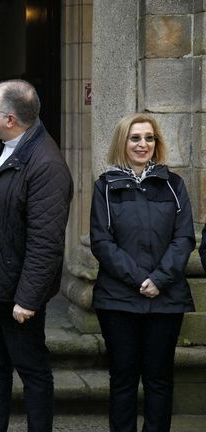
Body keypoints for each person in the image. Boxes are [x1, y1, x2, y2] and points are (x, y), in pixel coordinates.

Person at [0, 79, 73, 432]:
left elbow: (46, 242)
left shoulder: (46, 165)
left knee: (33, 372)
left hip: (18, 296)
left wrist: (28, 299)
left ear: (10, 119)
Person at [90, 113, 194, 432]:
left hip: (166, 301)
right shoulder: (106, 186)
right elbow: (102, 241)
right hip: (119, 300)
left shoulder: (173, 184)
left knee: (159, 379)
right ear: (123, 142)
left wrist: (159, 280)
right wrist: (139, 280)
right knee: (123, 379)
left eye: (149, 138)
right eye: (135, 138)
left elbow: (184, 237)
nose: (143, 144)